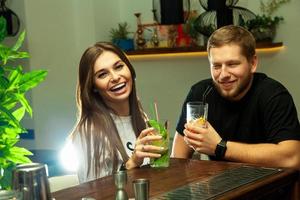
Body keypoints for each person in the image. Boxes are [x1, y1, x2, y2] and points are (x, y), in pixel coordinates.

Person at [171, 25, 300, 169]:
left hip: (268, 188)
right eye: (216, 66)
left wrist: (219, 146)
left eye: (232, 64)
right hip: (220, 187)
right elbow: (178, 159)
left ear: (253, 63)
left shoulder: (273, 95)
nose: (224, 74)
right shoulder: (200, 93)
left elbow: (292, 158)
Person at [68, 42, 163, 183]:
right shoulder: (89, 132)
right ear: (93, 86)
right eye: (102, 74)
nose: (115, 77)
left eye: (119, 67)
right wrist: (132, 163)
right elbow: (93, 194)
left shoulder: (141, 117)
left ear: (130, 69)